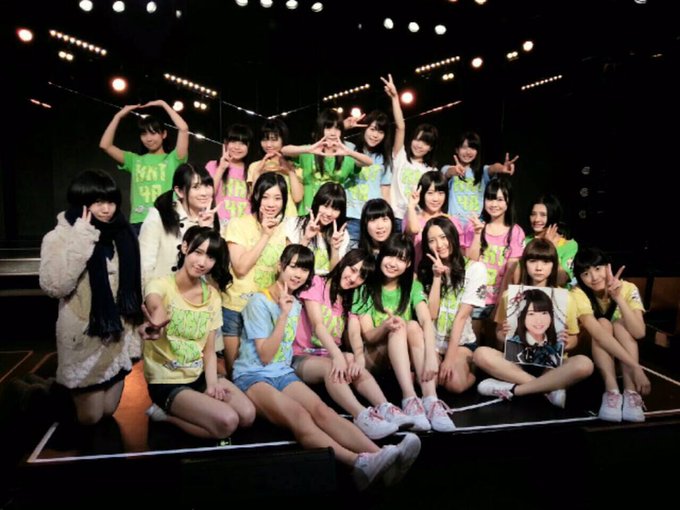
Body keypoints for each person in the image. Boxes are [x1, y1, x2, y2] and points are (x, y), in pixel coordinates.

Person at [233, 244, 421, 491]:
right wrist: (283, 315)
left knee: (323, 411)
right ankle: (358, 462)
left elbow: (348, 321)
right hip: (253, 375)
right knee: (300, 417)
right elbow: (266, 356)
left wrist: (354, 356)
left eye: (304, 270)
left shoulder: (296, 302)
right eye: (294, 267)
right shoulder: (260, 301)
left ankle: (383, 454)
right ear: (280, 266)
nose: (298, 274)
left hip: (282, 372)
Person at [39, 169, 143, 425]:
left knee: (108, 411)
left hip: (116, 337)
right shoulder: (59, 237)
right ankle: (37, 395)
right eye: (98, 202)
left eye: (111, 201)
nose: (106, 209)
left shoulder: (121, 233)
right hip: (85, 338)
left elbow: (134, 283)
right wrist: (82, 238)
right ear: (82, 202)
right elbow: (55, 286)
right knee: (90, 416)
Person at [141, 226, 256, 438]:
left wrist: (212, 385)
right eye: (198, 252)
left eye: (210, 257)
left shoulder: (212, 296)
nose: (202, 262)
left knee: (247, 415)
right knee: (228, 422)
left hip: (198, 374)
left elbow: (209, 350)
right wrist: (155, 323)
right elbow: (155, 304)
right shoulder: (160, 285)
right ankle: (163, 414)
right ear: (185, 247)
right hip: (167, 381)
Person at [293, 249, 413, 439]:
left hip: (329, 355)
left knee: (350, 358)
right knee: (334, 365)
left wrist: (359, 358)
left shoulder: (350, 297)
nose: (353, 278)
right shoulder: (317, 283)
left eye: (361, 276)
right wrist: (338, 356)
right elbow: (318, 326)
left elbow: (355, 332)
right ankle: (362, 416)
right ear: (344, 264)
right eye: (352, 269)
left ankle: (385, 407)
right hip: (301, 356)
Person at [350, 234, 455, 432]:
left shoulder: (412, 286)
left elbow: (426, 320)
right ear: (381, 256)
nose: (393, 263)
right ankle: (409, 398)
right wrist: (385, 326)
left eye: (401, 259)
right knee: (398, 326)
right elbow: (368, 336)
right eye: (390, 255)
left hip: (404, 357)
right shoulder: (365, 288)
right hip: (375, 355)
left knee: (413, 325)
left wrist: (431, 357)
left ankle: (430, 400)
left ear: (407, 265)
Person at [474, 238, 594, 408]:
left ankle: (514, 390)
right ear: (525, 263)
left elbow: (574, 339)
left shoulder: (565, 298)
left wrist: (567, 342)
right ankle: (547, 389)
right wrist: (502, 335)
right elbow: (499, 334)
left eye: (545, 262)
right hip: (516, 365)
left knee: (585, 364)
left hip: (553, 365)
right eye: (533, 261)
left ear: (553, 265)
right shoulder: (510, 296)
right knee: (480, 354)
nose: (539, 267)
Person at [221, 172, 289, 376]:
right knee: (236, 372)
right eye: (266, 196)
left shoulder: (285, 230)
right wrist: (265, 235)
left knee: (261, 371)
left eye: (277, 198)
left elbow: (287, 269)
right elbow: (241, 268)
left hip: (266, 310)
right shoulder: (238, 224)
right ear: (256, 196)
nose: (271, 204)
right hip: (237, 307)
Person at [572, 247, 649, 422]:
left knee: (621, 325)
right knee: (603, 323)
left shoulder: (628, 288)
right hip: (589, 354)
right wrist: (636, 367)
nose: (594, 277)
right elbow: (598, 334)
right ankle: (612, 391)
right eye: (586, 274)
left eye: (598, 269)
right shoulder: (578, 292)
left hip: (620, 355)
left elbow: (639, 332)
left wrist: (618, 298)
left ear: (608, 267)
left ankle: (630, 393)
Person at [417, 216, 487, 394]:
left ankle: (475, 372)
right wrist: (436, 278)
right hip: (432, 342)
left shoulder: (475, 269)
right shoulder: (425, 271)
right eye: (432, 241)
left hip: (461, 343)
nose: (439, 245)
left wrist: (448, 359)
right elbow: (431, 314)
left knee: (454, 384)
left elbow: (461, 317)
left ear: (453, 236)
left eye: (443, 237)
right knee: (429, 379)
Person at [99, 100, 189, 232]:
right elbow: (105, 145)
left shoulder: (173, 159)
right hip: (139, 221)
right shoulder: (134, 160)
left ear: (163, 134)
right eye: (144, 134)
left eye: (153, 133)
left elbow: (183, 129)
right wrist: (118, 116)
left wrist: (163, 104)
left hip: (165, 220)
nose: (148, 139)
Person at [138, 163, 219, 288]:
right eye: (196, 187)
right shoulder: (159, 217)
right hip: (161, 292)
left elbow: (215, 271)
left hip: (196, 294)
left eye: (207, 185)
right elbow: (145, 266)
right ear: (179, 191)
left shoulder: (214, 221)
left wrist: (205, 231)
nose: (204, 193)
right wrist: (150, 295)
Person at [282, 109, 373, 215]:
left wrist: (348, 152)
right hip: (308, 212)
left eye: (337, 128)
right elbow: (284, 150)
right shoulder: (308, 153)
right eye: (328, 128)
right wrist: (309, 149)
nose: (333, 133)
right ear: (321, 129)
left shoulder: (346, 157)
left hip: (333, 214)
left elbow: (368, 162)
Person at [464, 176, 525, 320]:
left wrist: (500, 304)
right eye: (490, 199)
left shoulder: (516, 232)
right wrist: (478, 233)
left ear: (508, 202)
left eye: (499, 199)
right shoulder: (473, 226)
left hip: (500, 300)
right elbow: (471, 261)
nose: (494, 204)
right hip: (473, 299)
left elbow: (512, 273)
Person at [385, 74, 439, 232]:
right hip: (394, 217)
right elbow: (400, 127)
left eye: (425, 143)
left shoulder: (431, 170)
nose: (419, 145)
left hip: (416, 219)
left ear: (430, 148)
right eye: (417, 139)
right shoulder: (400, 155)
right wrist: (395, 98)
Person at [441, 131, 517, 228]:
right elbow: (447, 172)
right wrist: (455, 170)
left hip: (476, 226)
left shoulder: (482, 172)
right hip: (454, 226)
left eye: (472, 148)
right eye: (464, 147)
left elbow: (493, 168)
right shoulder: (448, 169)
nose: (468, 152)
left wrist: (502, 168)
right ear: (457, 149)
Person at [344, 106, 394, 248]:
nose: (375, 135)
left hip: (373, 219)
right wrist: (344, 126)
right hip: (350, 217)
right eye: (372, 129)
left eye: (380, 132)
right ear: (364, 129)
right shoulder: (349, 149)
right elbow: (327, 137)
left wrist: (386, 219)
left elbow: (385, 191)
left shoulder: (384, 158)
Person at [404, 170, 464, 272]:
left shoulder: (452, 221)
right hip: (419, 274)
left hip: (447, 274)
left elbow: (460, 252)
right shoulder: (412, 217)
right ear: (422, 194)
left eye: (440, 193)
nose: (436, 199)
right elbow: (414, 230)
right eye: (430, 193)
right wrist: (411, 206)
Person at [285, 182, 350, 275]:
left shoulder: (341, 234)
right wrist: (306, 239)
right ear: (317, 203)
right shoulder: (294, 223)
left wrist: (334, 249)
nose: (329, 213)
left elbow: (335, 274)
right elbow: (287, 262)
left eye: (335, 209)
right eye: (325, 206)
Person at [246, 118, 303, 218]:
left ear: (283, 140)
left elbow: (297, 198)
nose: (268, 145)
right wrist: (257, 173)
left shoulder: (294, 167)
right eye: (264, 140)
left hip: (288, 218)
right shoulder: (255, 166)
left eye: (274, 140)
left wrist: (290, 172)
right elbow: (255, 199)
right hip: (264, 219)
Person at [523, 193, 578, 286]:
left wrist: (551, 247)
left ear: (553, 216)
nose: (536, 219)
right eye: (533, 214)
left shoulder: (569, 245)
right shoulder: (524, 241)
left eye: (543, 215)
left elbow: (561, 280)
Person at [503, 289, 564, 369]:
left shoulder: (557, 346)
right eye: (531, 314)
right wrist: (503, 333)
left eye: (544, 313)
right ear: (522, 317)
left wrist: (568, 343)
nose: (539, 320)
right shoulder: (512, 346)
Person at [205, 124, 253, 225]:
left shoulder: (252, 169)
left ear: (248, 146)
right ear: (226, 143)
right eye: (233, 142)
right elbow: (208, 194)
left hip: (245, 225)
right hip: (220, 223)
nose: (237, 147)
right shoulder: (213, 165)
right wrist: (221, 168)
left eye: (242, 143)